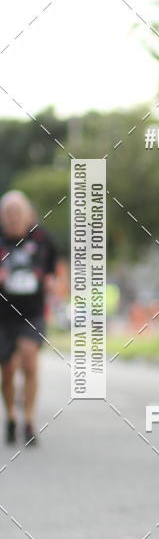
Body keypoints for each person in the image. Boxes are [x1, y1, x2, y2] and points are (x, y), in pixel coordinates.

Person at [0, 191, 57, 446]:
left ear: (27, 215)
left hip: (32, 312)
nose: (13, 218)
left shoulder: (43, 239)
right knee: (8, 370)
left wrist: (54, 282)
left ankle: (29, 419)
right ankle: (11, 416)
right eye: (8, 213)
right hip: (3, 315)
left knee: (29, 361)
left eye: (17, 213)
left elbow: (57, 270)